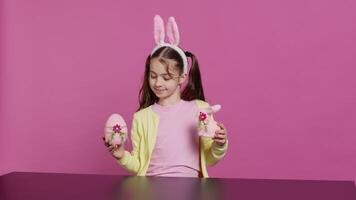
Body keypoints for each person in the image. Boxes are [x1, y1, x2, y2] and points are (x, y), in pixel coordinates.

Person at [102, 15, 228, 178]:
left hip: (191, 188)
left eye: (166, 77)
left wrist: (220, 143)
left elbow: (210, 158)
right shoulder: (142, 118)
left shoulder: (200, 109)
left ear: (182, 77)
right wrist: (121, 155)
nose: (158, 83)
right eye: (153, 76)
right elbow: (139, 164)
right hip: (152, 188)